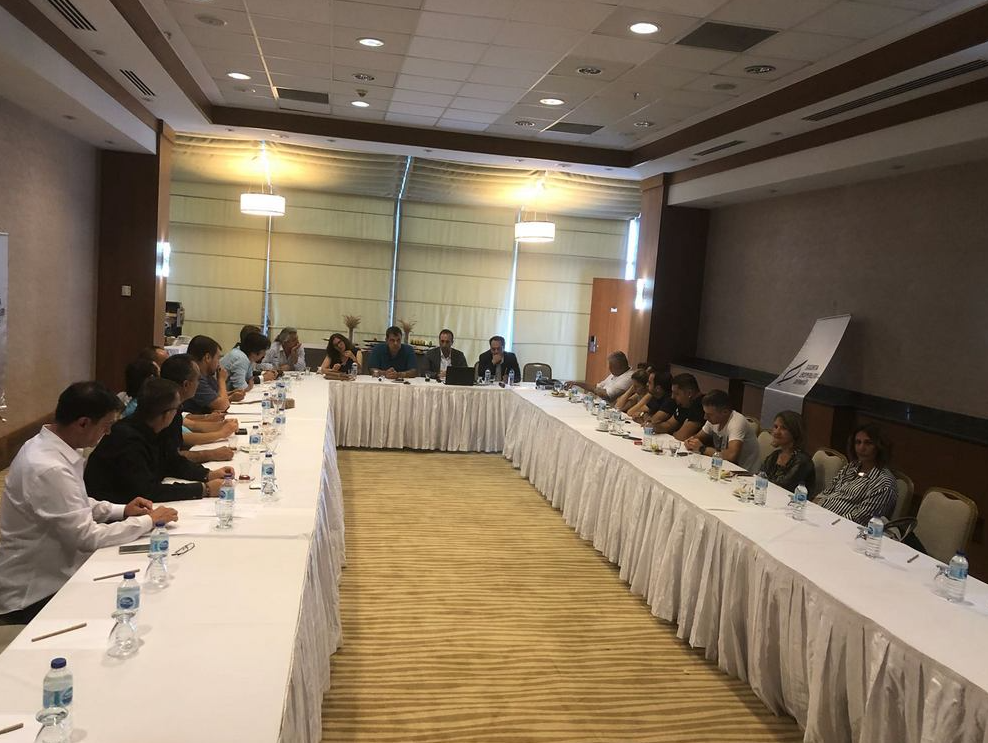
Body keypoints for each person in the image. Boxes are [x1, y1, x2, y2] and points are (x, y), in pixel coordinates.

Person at [0, 382, 178, 624]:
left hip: (58, 572)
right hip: (35, 593)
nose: (108, 433)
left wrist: (122, 510)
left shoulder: (47, 446)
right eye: (106, 425)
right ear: (83, 423)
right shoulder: (48, 467)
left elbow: (77, 501)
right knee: (140, 603)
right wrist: (148, 521)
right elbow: (87, 537)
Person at [85, 378, 233, 504]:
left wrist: (208, 474)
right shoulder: (126, 439)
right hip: (111, 514)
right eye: (178, 408)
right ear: (167, 414)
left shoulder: (155, 427)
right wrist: (204, 489)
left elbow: (173, 461)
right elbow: (147, 491)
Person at [814, 423, 898, 525]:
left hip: (840, 527)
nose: (861, 448)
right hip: (820, 516)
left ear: (880, 447)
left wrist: (826, 521)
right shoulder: (851, 466)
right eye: (858, 442)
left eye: (868, 443)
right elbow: (828, 492)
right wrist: (813, 509)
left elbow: (860, 519)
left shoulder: (884, 483)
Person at [161, 354, 236, 463]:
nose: (199, 384)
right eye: (198, 379)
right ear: (186, 385)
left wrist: (221, 426)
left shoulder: (174, 407)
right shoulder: (164, 411)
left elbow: (191, 426)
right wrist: (212, 452)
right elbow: (171, 457)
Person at [685, 389, 762, 472]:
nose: (705, 417)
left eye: (709, 414)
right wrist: (690, 442)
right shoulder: (713, 420)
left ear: (725, 412)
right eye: (705, 413)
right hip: (723, 468)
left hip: (745, 473)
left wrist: (702, 449)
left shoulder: (737, 422)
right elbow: (697, 438)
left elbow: (731, 455)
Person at [760, 411, 815, 492]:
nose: (776, 432)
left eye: (783, 428)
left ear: (795, 432)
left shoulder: (803, 461)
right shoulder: (775, 455)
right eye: (775, 427)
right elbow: (760, 477)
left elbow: (784, 488)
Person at [184, 334, 239, 413]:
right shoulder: (195, 378)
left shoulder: (207, 375)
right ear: (208, 357)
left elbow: (215, 395)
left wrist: (232, 395)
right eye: (218, 358)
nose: (219, 363)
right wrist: (222, 380)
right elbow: (223, 406)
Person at [653, 373, 705, 441]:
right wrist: (654, 426)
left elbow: (681, 436)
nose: (672, 397)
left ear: (689, 393)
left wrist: (672, 432)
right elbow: (669, 424)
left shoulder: (701, 405)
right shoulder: (685, 402)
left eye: (676, 393)